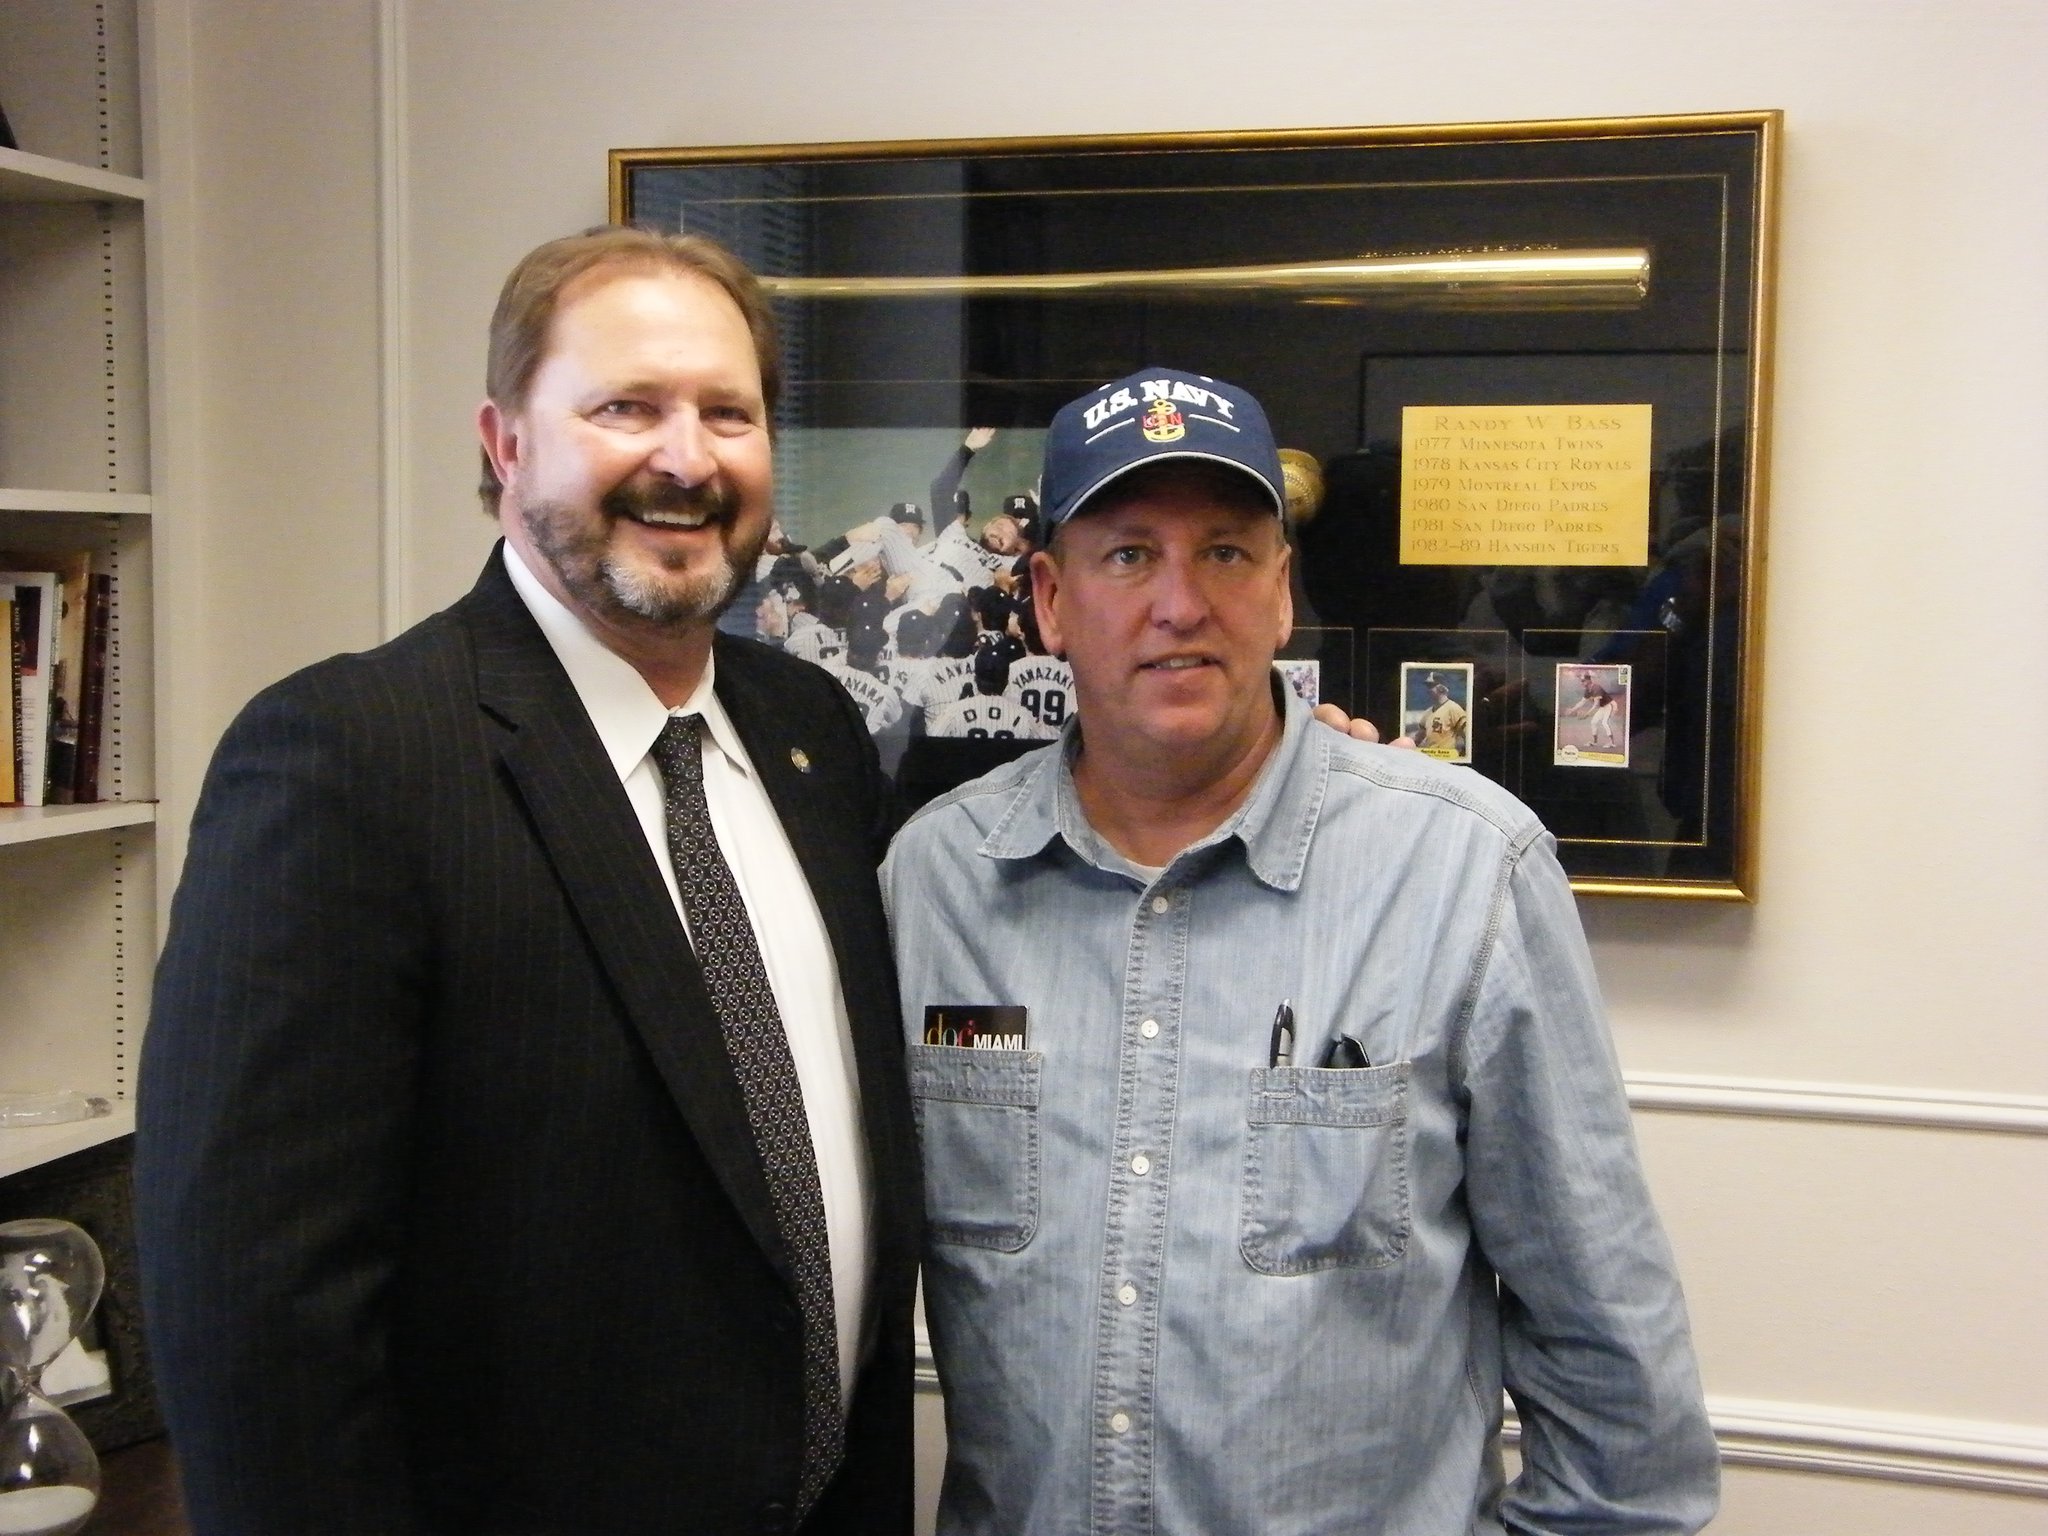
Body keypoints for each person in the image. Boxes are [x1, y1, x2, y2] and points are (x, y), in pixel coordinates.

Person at [134, 227, 922, 1535]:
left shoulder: (811, 736)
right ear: (505, 443)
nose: (686, 457)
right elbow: (253, 1325)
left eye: (729, 413)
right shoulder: (349, 759)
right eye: (625, 406)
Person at [882, 367, 1717, 1535]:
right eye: (1127, 555)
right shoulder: (932, 882)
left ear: (1279, 592)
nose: (1179, 602)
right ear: (1049, 599)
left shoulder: (1461, 870)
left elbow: (1609, 1356)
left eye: (1224, 552)